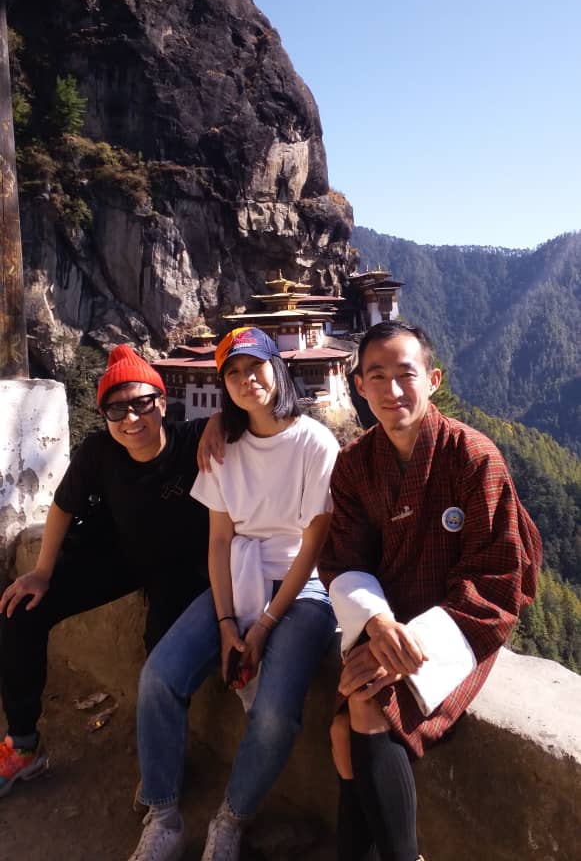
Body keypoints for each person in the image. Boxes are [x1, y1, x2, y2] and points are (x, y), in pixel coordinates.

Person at [318, 321, 542, 861]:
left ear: (433, 379)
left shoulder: (472, 455)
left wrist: (410, 647)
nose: (392, 391)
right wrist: (377, 625)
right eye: (378, 377)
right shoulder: (354, 465)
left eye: (405, 375)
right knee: (345, 736)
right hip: (387, 616)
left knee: (365, 711)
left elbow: (497, 578)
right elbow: (345, 559)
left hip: (460, 625)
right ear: (359, 386)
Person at [127, 326, 340, 861]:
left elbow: (314, 545)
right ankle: (163, 813)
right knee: (159, 676)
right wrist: (226, 624)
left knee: (273, 713)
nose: (247, 381)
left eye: (256, 367)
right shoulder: (224, 445)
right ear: (224, 385)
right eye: (233, 374)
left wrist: (263, 626)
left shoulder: (315, 442)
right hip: (237, 578)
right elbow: (220, 538)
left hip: (302, 590)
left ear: (278, 368)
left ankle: (231, 818)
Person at [0, 344, 217, 799]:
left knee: (160, 657)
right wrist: (41, 572)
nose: (131, 419)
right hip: (117, 554)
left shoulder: (195, 439)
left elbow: (262, 421)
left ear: (162, 402)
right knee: (21, 613)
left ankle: (164, 762)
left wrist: (224, 419)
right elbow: (61, 506)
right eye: (117, 408)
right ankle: (24, 747)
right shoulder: (100, 453)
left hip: (180, 567)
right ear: (104, 416)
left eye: (142, 403)